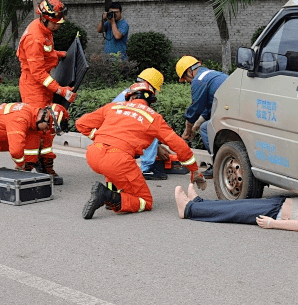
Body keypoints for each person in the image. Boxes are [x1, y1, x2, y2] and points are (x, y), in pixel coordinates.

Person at [76, 78, 208, 219]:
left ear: (130, 97)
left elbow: (81, 124)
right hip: (118, 160)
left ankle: (114, 194)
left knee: (113, 168)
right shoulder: (153, 117)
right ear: (151, 101)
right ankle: (108, 196)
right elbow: (179, 146)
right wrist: (194, 170)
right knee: (145, 201)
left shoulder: (113, 107)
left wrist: (99, 138)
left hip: (93, 154)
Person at [16, 0, 74, 185]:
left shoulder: (43, 28)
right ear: (44, 17)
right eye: (55, 22)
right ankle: (27, 168)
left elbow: (44, 54)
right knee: (37, 126)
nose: (58, 26)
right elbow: (38, 72)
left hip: (40, 84)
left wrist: (58, 54)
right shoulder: (35, 37)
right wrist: (61, 91)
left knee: (47, 125)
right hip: (34, 85)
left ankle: (43, 164)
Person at [174, 183, 298, 233]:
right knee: (235, 206)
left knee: (232, 212)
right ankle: (198, 203)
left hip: (277, 213)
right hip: (280, 204)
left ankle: (189, 210)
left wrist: (274, 224)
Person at [111, 68, 169, 180]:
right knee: (150, 132)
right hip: (121, 133)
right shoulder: (140, 95)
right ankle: (147, 169)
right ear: (149, 84)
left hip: (112, 132)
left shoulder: (130, 91)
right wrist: (157, 146)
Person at [177, 55, 228, 179]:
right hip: (233, 106)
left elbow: (196, 108)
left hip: (229, 108)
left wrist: (188, 131)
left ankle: (219, 165)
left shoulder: (199, 80)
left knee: (206, 128)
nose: (188, 82)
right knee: (204, 125)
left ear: (189, 71)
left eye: (185, 78)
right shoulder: (213, 74)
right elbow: (208, 106)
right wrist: (195, 126)